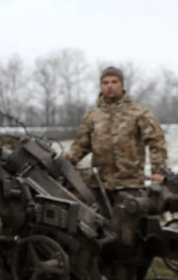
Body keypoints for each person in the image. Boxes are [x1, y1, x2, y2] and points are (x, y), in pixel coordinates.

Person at [65, 66, 168, 197]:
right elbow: (80, 147)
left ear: (122, 85)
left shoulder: (139, 112)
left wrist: (158, 171)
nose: (110, 86)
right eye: (105, 83)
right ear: (101, 86)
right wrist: (62, 165)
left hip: (130, 184)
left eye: (114, 82)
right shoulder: (93, 116)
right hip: (99, 185)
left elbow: (156, 141)